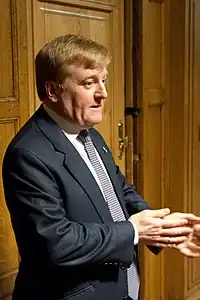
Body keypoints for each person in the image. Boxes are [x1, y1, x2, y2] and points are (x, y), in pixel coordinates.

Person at [2, 35, 200, 300]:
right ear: (52, 91)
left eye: (103, 80)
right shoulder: (27, 154)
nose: (103, 93)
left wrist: (165, 229)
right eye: (89, 83)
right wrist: (134, 231)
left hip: (120, 288)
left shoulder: (87, 132)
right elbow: (57, 243)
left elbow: (118, 190)